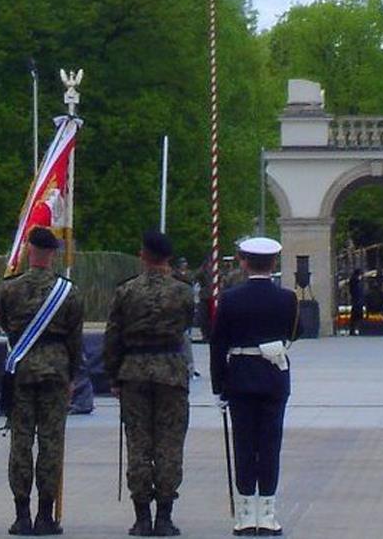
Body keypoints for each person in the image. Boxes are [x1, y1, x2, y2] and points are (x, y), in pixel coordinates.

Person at [103, 230, 193, 537]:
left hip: (135, 372)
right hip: (170, 370)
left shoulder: (126, 291)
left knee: (139, 444)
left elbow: (113, 336)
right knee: (169, 444)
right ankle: (165, 516)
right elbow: (186, 326)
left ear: (143, 254)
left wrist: (113, 376)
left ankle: (142, 516)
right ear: (168, 257)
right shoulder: (182, 291)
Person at [211, 237, 300, 536]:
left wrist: (218, 384)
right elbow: (295, 331)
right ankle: (268, 513)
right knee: (271, 444)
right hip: (274, 377)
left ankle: (245, 514)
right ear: (274, 263)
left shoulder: (230, 298)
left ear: (243, 262)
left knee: (244, 443)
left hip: (240, 377)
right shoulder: (288, 299)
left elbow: (218, 342)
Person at [0, 227, 83, 536]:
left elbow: (6, 326)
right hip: (56, 371)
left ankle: (21, 515)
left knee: (21, 442)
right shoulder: (68, 291)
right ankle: (45, 516)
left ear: (29, 250)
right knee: (51, 442)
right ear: (53, 254)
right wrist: (72, 374)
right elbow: (75, 338)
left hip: (21, 371)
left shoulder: (9, 289)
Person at [348, 269, 364, 336]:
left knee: (355, 315)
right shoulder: (355, 281)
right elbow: (357, 291)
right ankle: (356, 330)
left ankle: (354, 330)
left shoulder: (354, 281)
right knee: (357, 315)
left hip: (356, 300)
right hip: (357, 300)